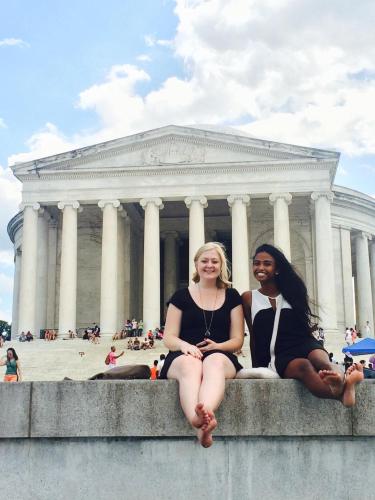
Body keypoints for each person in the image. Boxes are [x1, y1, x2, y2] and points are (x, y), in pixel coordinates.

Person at [242, 243, 363, 407]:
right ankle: (344, 390)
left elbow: (302, 324)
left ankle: (340, 380)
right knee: (304, 366)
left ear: (277, 269)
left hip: (303, 342)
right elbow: (253, 335)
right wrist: (257, 367)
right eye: (256, 263)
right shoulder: (249, 298)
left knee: (322, 360)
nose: (260, 267)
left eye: (267, 263)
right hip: (279, 353)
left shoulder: (292, 292)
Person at [160, 242, 244, 448]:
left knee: (213, 362)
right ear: (196, 264)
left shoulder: (232, 296)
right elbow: (168, 337)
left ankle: (204, 413)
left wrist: (218, 346)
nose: (209, 265)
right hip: (184, 356)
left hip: (221, 355)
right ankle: (198, 421)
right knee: (191, 364)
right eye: (204, 261)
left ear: (221, 265)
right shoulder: (180, 296)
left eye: (215, 261)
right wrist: (184, 346)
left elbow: (237, 340)